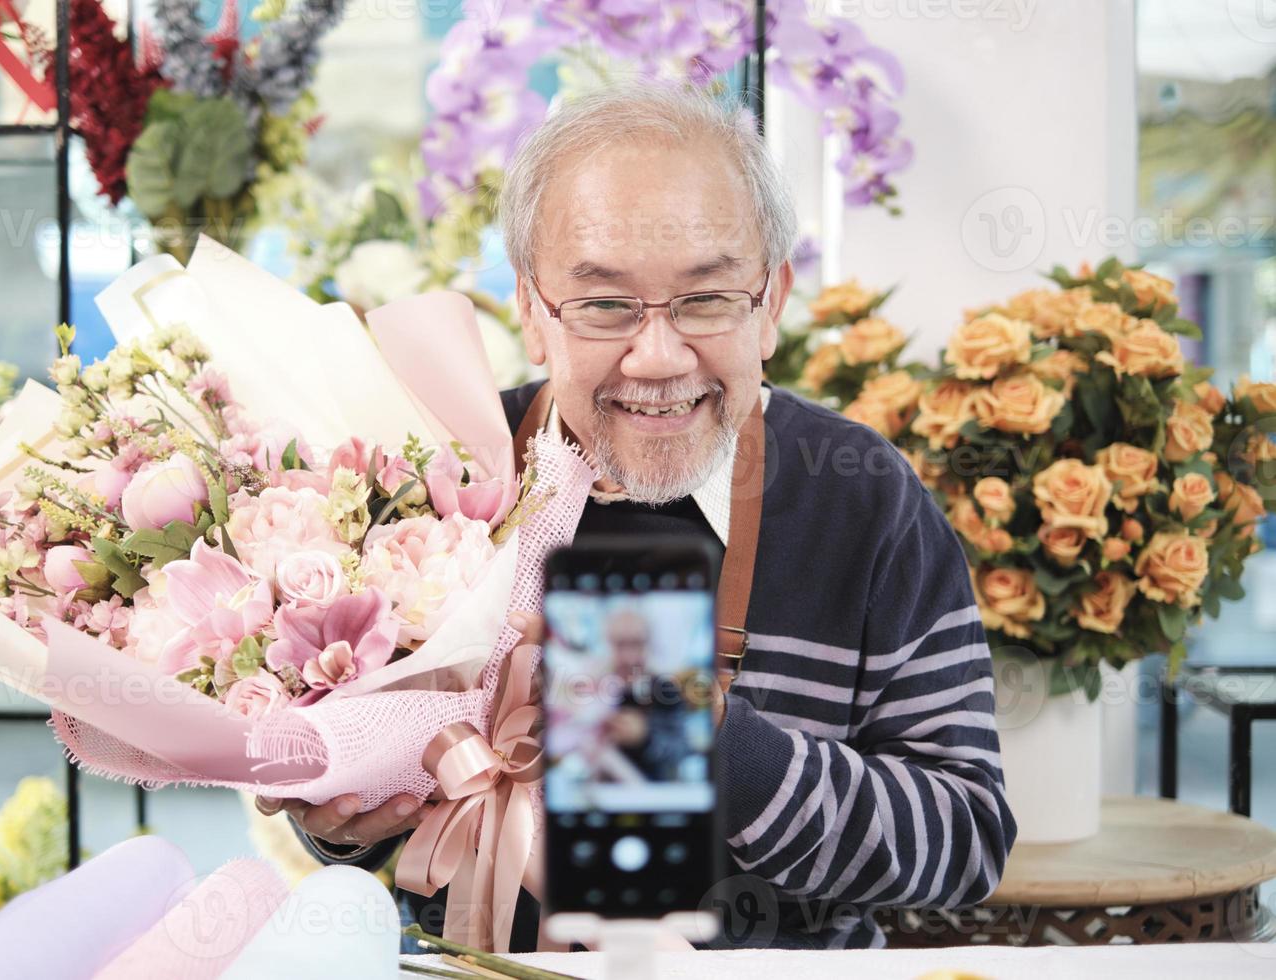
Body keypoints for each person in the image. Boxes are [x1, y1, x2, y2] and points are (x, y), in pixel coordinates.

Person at [259, 81, 1015, 950]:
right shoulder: (437, 473)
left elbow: (965, 846)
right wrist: (340, 825)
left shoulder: (863, 497)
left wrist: (724, 743)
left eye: (705, 299)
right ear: (533, 311)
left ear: (770, 303)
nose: (657, 357)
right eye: (604, 305)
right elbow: (354, 797)